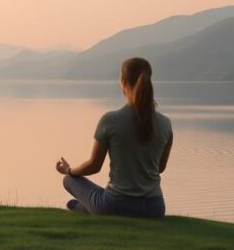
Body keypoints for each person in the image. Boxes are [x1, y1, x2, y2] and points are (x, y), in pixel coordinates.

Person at [56, 57, 172, 218]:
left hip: (116, 206)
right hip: (154, 208)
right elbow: (160, 168)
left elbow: (94, 166)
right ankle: (83, 207)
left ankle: (85, 208)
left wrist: (69, 170)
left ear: (123, 81)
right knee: (99, 196)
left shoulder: (110, 120)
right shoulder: (165, 124)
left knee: (69, 180)